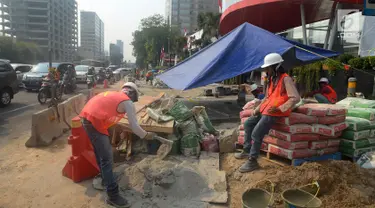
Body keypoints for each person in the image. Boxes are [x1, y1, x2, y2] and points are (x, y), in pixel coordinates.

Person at [79, 82, 156, 208]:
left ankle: (105, 180)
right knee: (107, 159)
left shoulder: (114, 95)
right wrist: (146, 135)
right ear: (133, 95)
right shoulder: (127, 102)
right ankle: (113, 196)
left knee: (101, 154)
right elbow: (135, 127)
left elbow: (105, 110)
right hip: (94, 122)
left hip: (86, 119)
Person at [235, 53, 300, 173]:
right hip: (267, 110)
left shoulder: (286, 79)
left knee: (256, 133)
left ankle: (252, 160)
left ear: (275, 66)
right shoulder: (271, 80)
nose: (265, 70)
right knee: (248, 123)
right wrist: (257, 109)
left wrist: (280, 108)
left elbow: (295, 98)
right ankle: (247, 150)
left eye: (267, 68)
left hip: (275, 113)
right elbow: (267, 98)